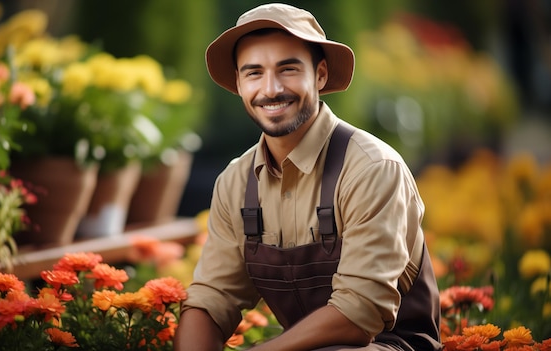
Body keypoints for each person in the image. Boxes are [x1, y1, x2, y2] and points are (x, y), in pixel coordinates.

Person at [174, 3, 442, 351]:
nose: (270, 89)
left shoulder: (372, 168)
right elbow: (212, 298)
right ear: (239, 83)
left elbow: (360, 313)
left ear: (320, 75)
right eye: (253, 73)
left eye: (287, 69)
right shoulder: (235, 183)